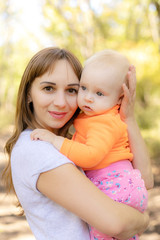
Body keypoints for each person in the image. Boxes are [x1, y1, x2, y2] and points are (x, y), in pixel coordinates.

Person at [2, 47, 152, 240]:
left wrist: (128, 118)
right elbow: (116, 223)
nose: (61, 102)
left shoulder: (70, 140)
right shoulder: (36, 148)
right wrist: (143, 220)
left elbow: (145, 180)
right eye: (48, 88)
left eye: (72, 90)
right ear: (29, 93)